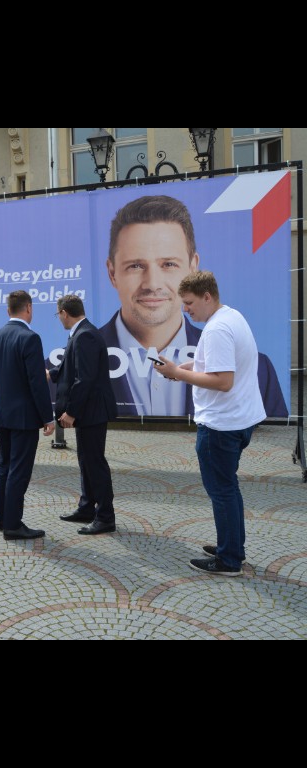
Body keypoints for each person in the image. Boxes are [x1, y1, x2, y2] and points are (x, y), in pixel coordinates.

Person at [100, 194, 287, 417]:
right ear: (112, 273)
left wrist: (178, 372)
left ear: (192, 267)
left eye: (168, 264)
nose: (153, 284)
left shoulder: (259, 369)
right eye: (136, 266)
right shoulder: (74, 365)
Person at [154, 271, 265, 576]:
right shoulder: (231, 317)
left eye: (189, 303)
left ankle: (229, 560)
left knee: (222, 491)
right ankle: (232, 547)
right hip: (237, 421)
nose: (185, 309)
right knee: (228, 488)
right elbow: (217, 366)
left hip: (221, 425)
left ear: (207, 296)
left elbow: (222, 380)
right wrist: (181, 368)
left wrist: (179, 374)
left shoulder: (217, 329)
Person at [0, 290, 55, 541]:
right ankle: (13, 525)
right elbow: (37, 383)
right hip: (24, 418)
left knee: (4, 465)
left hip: (2, 415)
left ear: (8, 310)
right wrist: (48, 417)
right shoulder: (30, 338)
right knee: (19, 469)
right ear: (29, 308)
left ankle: (2, 518)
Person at [50, 295, 118, 535]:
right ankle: (87, 507)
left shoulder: (85, 335)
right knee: (86, 460)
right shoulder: (81, 332)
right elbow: (72, 365)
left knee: (95, 463)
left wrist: (71, 411)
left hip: (91, 411)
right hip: (88, 411)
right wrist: (52, 373)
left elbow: (85, 378)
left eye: (58, 314)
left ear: (64, 313)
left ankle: (106, 517)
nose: (58, 319)